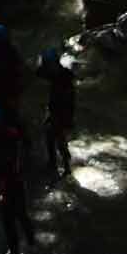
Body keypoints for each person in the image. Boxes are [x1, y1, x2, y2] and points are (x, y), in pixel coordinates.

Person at [0, 102, 37, 254]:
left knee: (9, 221)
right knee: (22, 214)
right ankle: (31, 245)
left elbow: (6, 170)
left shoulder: (4, 140)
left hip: (11, 184)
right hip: (18, 182)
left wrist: (1, 191)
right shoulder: (13, 134)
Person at [36, 47, 77, 179]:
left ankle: (66, 167)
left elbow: (68, 101)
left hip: (62, 112)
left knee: (59, 140)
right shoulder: (55, 73)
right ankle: (54, 164)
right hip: (56, 111)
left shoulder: (64, 77)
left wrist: (65, 118)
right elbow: (38, 73)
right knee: (50, 137)